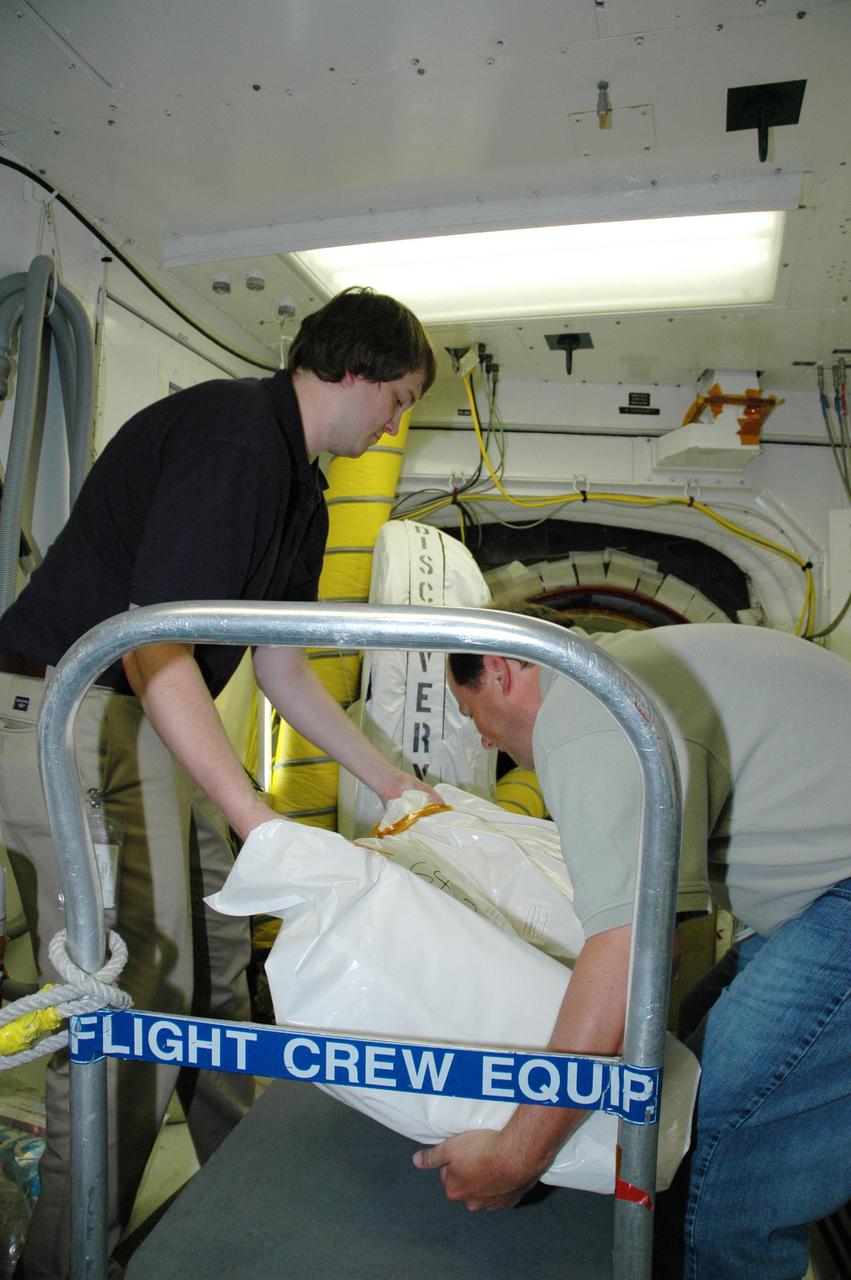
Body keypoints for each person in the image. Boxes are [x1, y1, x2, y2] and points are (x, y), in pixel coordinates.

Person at [0, 286, 437, 1277]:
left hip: (131, 711)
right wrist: (251, 808)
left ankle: (240, 1170)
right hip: (53, 709)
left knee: (220, 931)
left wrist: (397, 781)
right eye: (399, 399)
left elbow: (280, 669)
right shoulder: (236, 440)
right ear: (357, 370)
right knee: (127, 989)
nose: (394, 423)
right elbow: (153, 649)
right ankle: (69, 1261)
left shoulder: (302, 492)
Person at [413, 617, 851, 1280]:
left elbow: (632, 959)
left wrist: (515, 1156)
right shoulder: (619, 673)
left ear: (501, 671)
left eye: (470, 711)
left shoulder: (584, 710)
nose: (480, 735)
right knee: (685, 1064)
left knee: (710, 1138)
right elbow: (652, 948)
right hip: (822, 895)